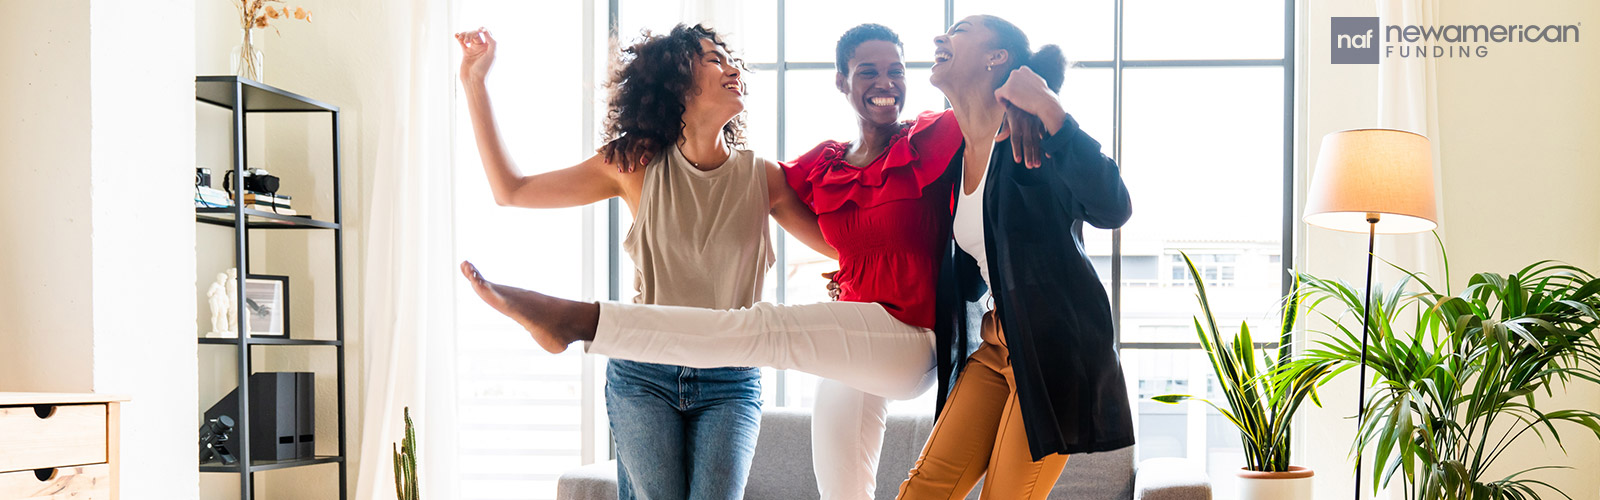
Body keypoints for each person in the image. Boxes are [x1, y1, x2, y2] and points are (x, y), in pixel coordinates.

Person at [456, 12, 1128, 497]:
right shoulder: (767, 169)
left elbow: (1073, 166)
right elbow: (838, 242)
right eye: (869, 70)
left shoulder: (931, 143)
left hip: (903, 352)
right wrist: (476, 84)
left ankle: (578, 321)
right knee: (863, 480)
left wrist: (1039, 100)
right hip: (663, 372)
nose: (891, 77)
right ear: (842, 81)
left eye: (900, 67)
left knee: (769, 327)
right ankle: (591, 325)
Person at [453, 24, 832, 500]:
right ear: (675, 84)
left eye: (729, 60)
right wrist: (474, 80)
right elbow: (512, 190)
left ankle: (564, 322)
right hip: (643, 372)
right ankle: (560, 320)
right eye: (714, 60)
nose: (732, 68)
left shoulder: (764, 178)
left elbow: (843, 249)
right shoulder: (635, 166)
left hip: (731, 379)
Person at [894, 15, 1135, 499]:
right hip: (996, 342)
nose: (941, 36)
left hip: (1052, 352)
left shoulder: (1034, 138)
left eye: (959, 30)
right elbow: (976, 275)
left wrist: (1049, 108)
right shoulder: (957, 157)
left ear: (996, 57)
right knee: (924, 490)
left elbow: (1113, 206)